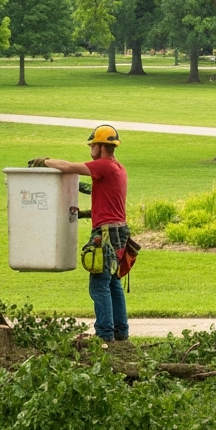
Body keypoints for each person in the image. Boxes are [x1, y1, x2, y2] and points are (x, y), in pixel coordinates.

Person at [31, 125, 129, 342]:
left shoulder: (102, 165)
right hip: (119, 232)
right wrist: (86, 213)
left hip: (105, 234)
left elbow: (68, 167)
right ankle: (121, 333)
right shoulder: (118, 168)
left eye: (93, 144)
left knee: (99, 284)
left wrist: (44, 161)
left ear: (102, 146)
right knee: (113, 281)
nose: (90, 148)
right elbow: (107, 200)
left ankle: (104, 335)